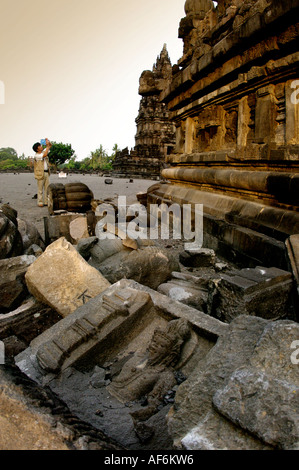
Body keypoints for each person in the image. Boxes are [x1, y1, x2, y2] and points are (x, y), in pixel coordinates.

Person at [32, 138, 52, 207]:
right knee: (40, 189)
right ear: (37, 149)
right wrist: (47, 147)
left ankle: (46, 202)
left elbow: (49, 147)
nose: (41, 147)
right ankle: (40, 201)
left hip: (46, 172)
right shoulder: (37, 155)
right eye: (40, 146)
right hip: (40, 173)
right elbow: (45, 155)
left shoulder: (43, 152)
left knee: (47, 188)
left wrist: (48, 143)